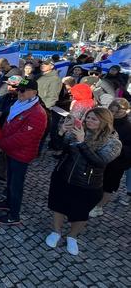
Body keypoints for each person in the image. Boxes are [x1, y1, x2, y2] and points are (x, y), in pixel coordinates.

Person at [46, 107, 121, 255]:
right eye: (88, 117)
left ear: (105, 122)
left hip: (88, 183)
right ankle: (56, 232)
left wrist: (82, 143)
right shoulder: (78, 130)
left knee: (80, 213)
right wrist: (60, 133)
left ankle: (72, 236)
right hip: (63, 176)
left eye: (94, 119)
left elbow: (100, 162)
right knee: (58, 206)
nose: (89, 121)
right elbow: (58, 148)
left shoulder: (113, 142)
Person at [0, 79, 47, 225]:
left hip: (21, 153)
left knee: (16, 184)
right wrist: (0, 140)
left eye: (23, 90)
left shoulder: (37, 113)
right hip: (12, 150)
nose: (19, 92)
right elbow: (8, 125)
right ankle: (8, 202)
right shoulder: (20, 104)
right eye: (19, 89)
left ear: (34, 92)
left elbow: (23, 137)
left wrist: (2, 143)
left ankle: (14, 215)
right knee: (10, 180)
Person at [89, 99, 131, 217]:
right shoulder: (106, 121)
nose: (114, 114)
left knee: (108, 186)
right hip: (101, 159)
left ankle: (99, 207)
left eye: (118, 112)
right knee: (96, 182)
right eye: (112, 111)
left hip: (116, 163)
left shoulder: (128, 127)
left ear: (126, 111)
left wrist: (116, 149)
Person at [0, 75, 22, 179]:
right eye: (8, 85)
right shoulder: (6, 96)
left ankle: (4, 174)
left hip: (10, 129)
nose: (9, 87)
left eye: (12, 86)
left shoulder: (20, 99)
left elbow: (14, 113)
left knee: (6, 152)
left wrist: (1, 113)